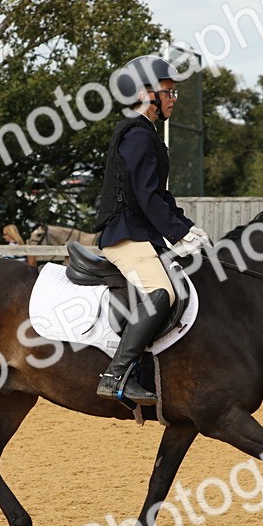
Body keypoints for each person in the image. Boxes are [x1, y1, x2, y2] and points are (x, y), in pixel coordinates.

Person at [91, 55, 211, 405]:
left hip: (140, 233)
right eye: (169, 92)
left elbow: (159, 194)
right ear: (146, 94)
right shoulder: (137, 134)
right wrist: (177, 233)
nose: (174, 99)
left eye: (175, 92)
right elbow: (144, 196)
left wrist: (187, 227)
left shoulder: (145, 133)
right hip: (125, 234)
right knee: (162, 292)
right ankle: (116, 376)